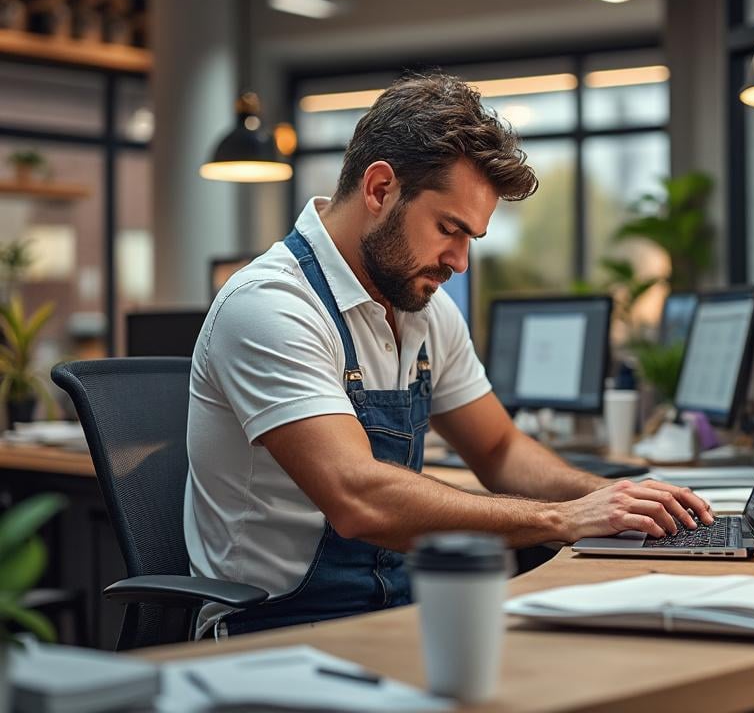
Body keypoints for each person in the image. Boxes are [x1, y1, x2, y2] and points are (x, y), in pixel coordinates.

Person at [184, 72, 713, 638]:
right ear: (380, 189)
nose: (459, 262)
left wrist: (616, 500)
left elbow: (498, 447)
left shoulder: (421, 309)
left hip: (398, 615)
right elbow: (357, 497)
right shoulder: (272, 305)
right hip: (274, 631)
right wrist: (560, 519)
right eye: (448, 229)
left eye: (471, 240)